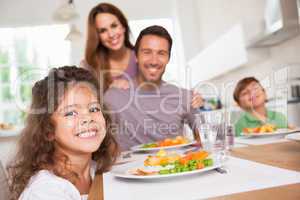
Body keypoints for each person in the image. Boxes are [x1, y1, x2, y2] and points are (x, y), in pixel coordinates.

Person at [7, 67, 119, 200]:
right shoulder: (44, 193)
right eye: (70, 113)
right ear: (48, 130)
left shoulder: (95, 170)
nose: (88, 118)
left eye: (94, 108)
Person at [81, 2, 203, 108]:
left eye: (114, 26)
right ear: (97, 36)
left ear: (123, 26)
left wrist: (187, 97)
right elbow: (84, 103)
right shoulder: (89, 64)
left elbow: (156, 85)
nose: (111, 34)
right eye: (103, 30)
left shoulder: (141, 56)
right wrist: (110, 92)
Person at [104, 25, 201, 151]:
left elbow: (204, 139)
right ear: (136, 56)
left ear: (168, 58)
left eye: (161, 53)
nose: (154, 61)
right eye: (147, 52)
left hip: (173, 168)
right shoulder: (113, 96)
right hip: (127, 170)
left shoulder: (186, 97)